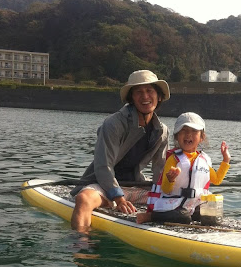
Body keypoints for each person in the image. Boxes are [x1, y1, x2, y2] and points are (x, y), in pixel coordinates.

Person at [70, 70, 170, 232]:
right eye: (139, 92)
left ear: (159, 96)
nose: (145, 96)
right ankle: (81, 243)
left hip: (135, 185)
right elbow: (103, 166)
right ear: (132, 98)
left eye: (150, 91)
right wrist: (119, 199)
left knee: (174, 200)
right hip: (103, 184)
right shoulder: (113, 124)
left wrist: (166, 194)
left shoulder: (162, 131)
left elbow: (160, 169)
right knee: (84, 199)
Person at [136, 112, 231, 224]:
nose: (188, 135)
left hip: (193, 204)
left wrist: (226, 160)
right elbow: (166, 189)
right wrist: (170, 179)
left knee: (211, 215)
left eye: (194, 131)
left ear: (202, 137)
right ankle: (150, 216)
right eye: (184, 130)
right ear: (177, 136)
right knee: (183, 217)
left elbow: (217, 180)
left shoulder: (203, 160)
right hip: (174, 204)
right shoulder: (173, 159)